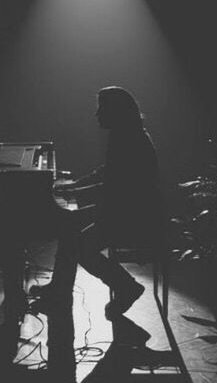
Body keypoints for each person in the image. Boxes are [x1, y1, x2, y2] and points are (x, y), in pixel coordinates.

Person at [31, 86, 165, 319]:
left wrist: (79, 192)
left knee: (82, 248)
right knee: (69, 224)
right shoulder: (124, 134)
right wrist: (76, 185)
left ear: (116, 112)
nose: (97, 114)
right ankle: (58, 290)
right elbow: (108, 174)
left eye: (101, 108)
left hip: (136, 217)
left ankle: (126, 287)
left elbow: (116, 187)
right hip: (122, 209)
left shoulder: (129, 139)